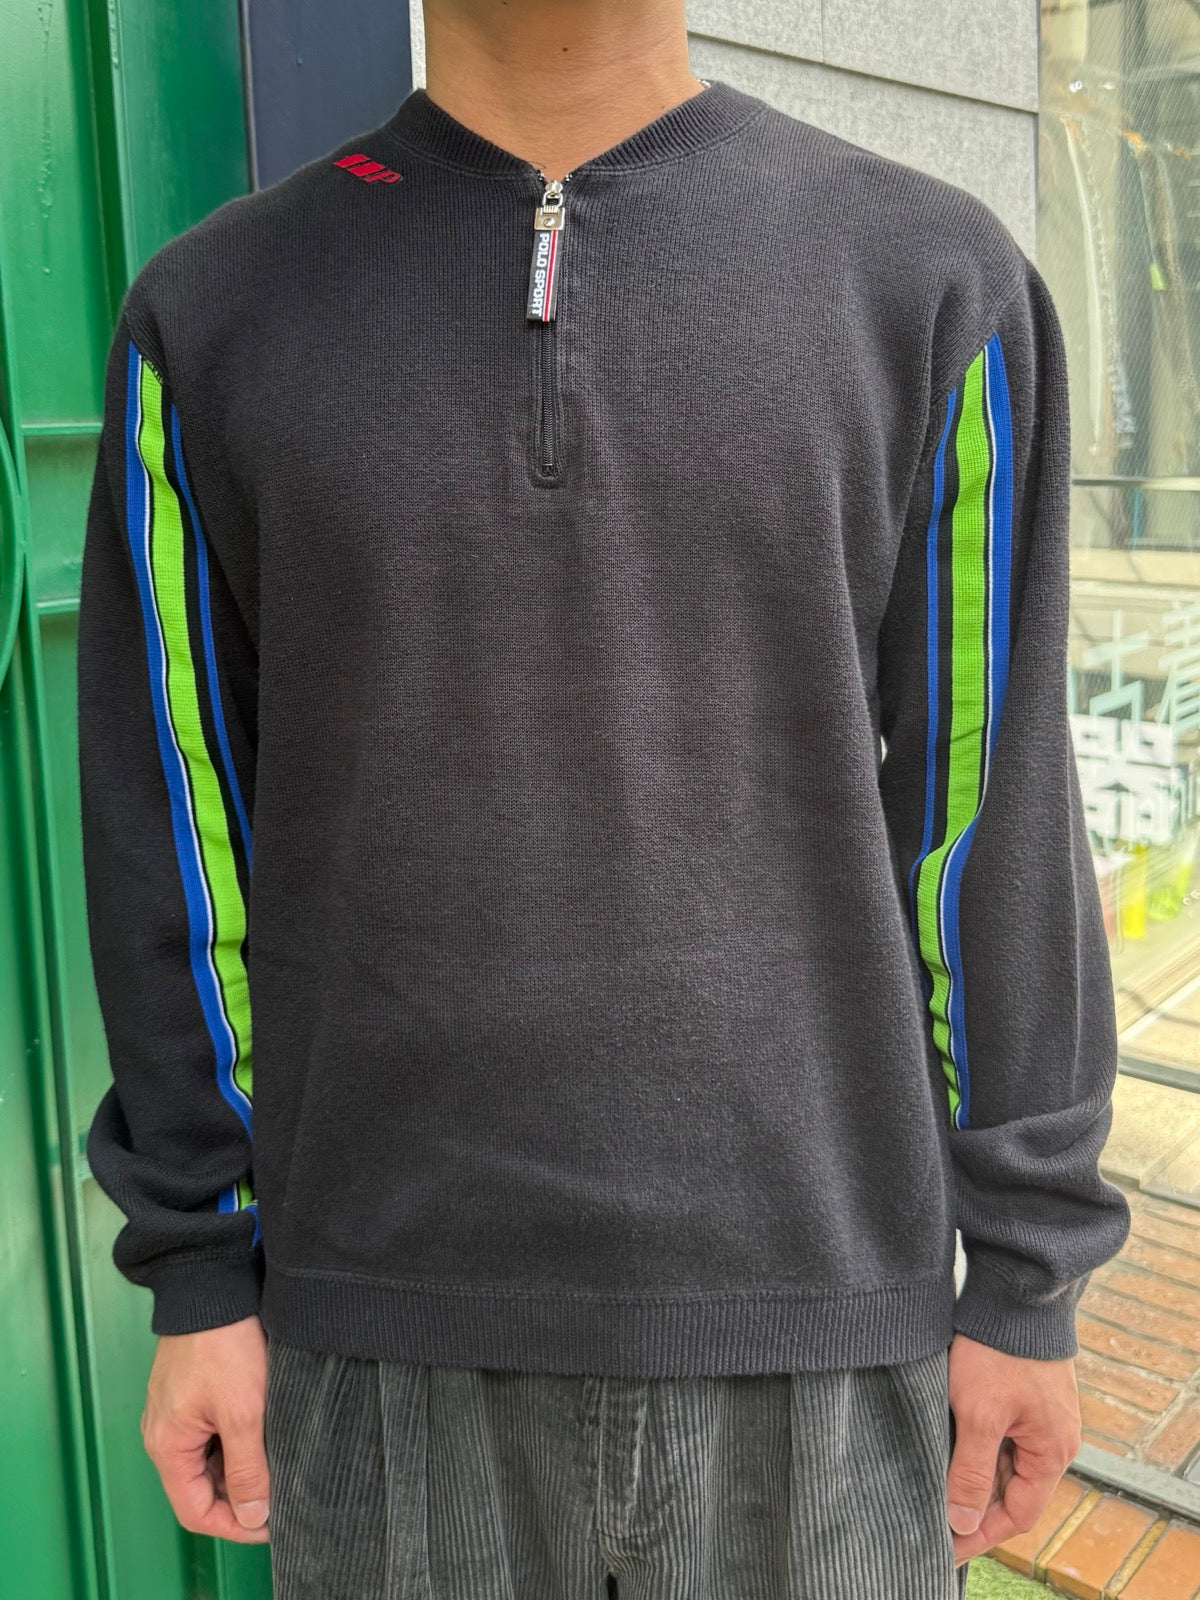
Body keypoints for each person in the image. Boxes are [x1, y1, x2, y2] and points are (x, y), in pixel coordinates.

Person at [75, 0, 1132, 1595]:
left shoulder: (928, 285)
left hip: (825, 1323)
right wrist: (198, 1268)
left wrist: (1029, 1274)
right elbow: (174, 824)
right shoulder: (212, 316)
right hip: (378, 1333)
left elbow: (992, 820)